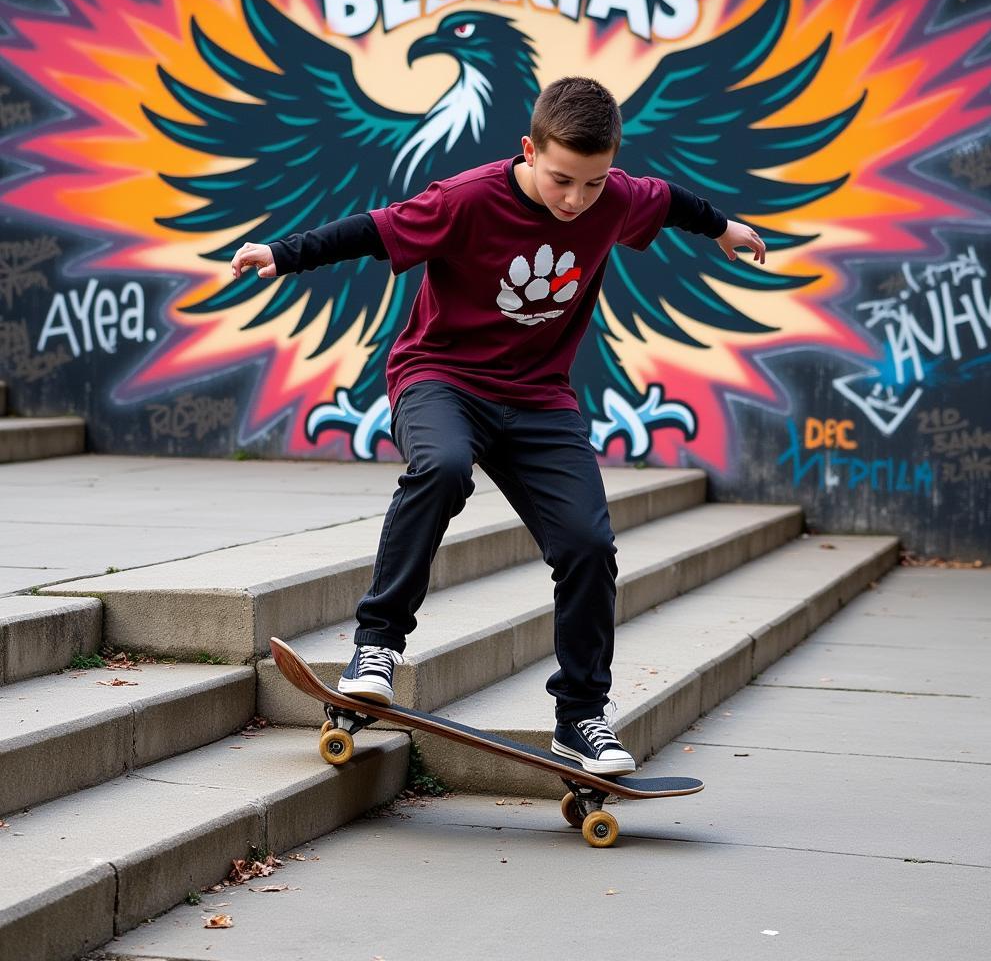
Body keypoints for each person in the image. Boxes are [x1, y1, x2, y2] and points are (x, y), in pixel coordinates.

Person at [231, 76, 766, 775]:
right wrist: (283, 253)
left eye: (594, 183)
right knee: (445, 468)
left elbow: (673, 202)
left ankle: (581, 719)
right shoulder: (467, 199)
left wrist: (727, 230)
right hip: (441, 378)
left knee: (587, 546)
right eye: (561, 180)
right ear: (528, 149)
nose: (576, 200)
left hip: (540, 398)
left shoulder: (618, 197)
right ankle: (378, 645)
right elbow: (375, 229)